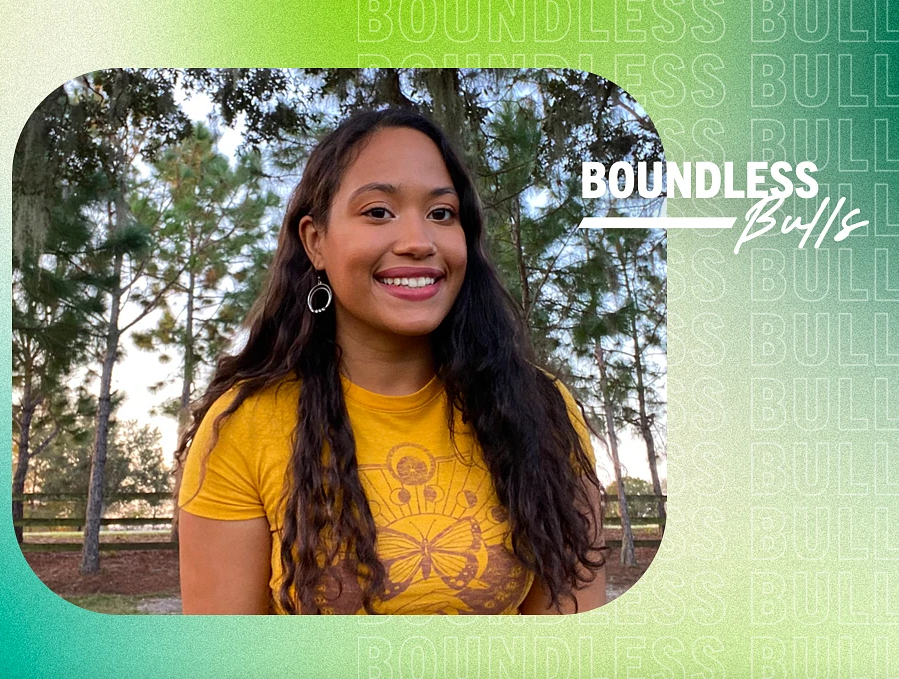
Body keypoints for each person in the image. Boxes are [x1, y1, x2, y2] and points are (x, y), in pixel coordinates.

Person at [174, 108, 607, 615]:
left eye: (441, 214)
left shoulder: (540, 410)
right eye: (378, 211)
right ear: (316, 241)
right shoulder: (243, 428)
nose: (418, 242)